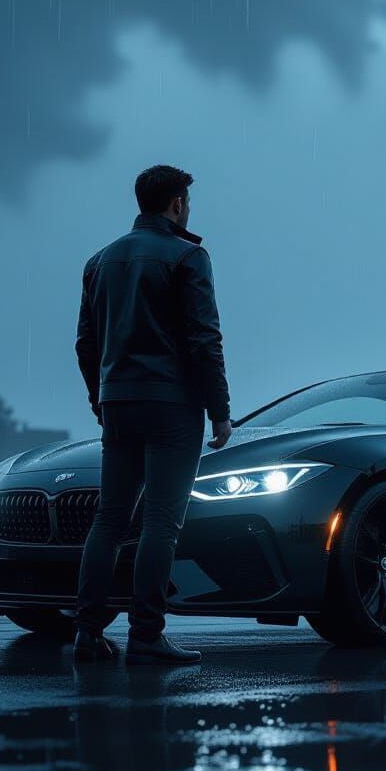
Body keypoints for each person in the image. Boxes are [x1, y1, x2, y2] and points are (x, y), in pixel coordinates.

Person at [73, 164, 232, 665]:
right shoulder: (189, 257)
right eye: (188, 200)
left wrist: (101, 397)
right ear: (177, 204)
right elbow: (204, 339)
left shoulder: (100, 261)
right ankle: (146, 636)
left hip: (117, 401)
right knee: (162, 523)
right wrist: (220, 411)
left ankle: (88, 635)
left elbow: (84, 342)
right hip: (170, 405)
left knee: (109, 521)